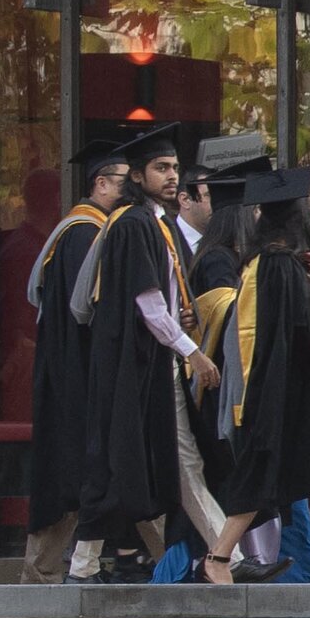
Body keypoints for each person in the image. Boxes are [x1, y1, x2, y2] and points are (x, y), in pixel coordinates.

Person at [73, 123, 229, 578]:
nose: (172, 176)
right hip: (135, 364)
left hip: (152, 361)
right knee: (120, 461)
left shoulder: (154, 223)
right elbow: (148, 303)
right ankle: (82, 566)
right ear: (137, 176)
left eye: (175, 167)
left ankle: (227, 556)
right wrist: (192, 351)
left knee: (178, 462)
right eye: (161, 168)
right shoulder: (133, 224)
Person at [198, 169, 310, 585]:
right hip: (289, 390)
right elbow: (297, 329)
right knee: (264, 471)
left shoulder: (275, 264)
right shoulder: (278, 266)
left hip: (298, 386)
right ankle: (217, 558)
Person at [22, 151, 127, 582]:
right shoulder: (84, 234)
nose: (131, 190)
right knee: (81, 475)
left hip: (69, 374)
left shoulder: (81, 231)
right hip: (78, 376)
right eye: (124, 181)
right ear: (100, 184)